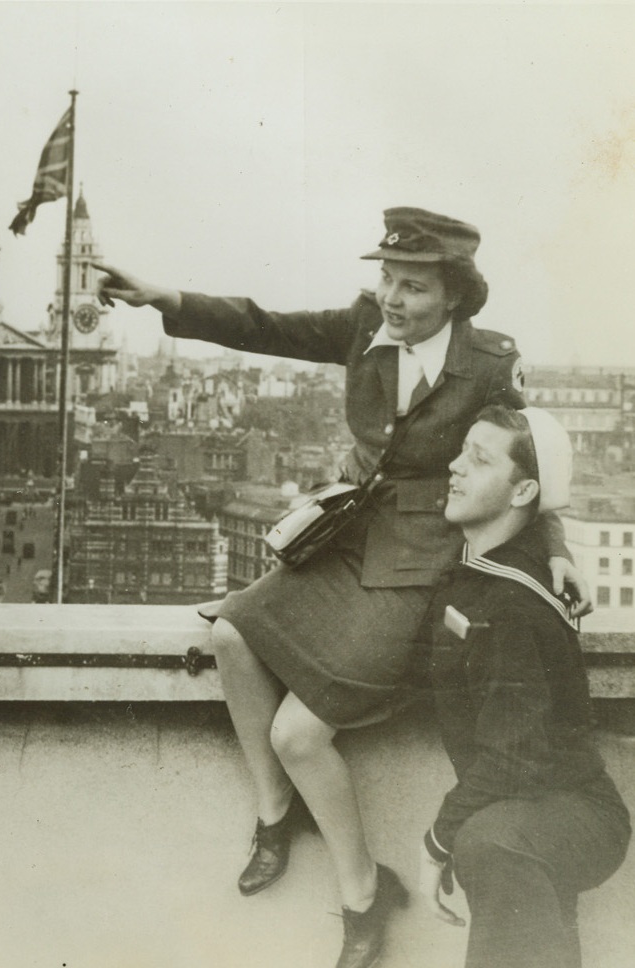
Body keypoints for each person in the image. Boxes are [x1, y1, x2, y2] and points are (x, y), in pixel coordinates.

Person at [94, 207, 591, 968]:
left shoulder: (490, 360)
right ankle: (274, 813)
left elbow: (527, 466)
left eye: (414, 287)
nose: (392, 297)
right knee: (230, 632)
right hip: (350, 535)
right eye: (386, 278)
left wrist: (552, 548)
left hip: (422, 561)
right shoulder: (363, 324)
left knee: (300, 733)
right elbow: (266, 327)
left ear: (453, 295)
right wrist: (164, 297)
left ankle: (363, 893)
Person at [417, 405, 629, 968]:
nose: (455, 467)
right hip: (525, 807)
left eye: (478, 459)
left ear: (521, 492)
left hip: (573, 810)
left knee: (487, 844)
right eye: (462, 449)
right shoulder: (481, 567)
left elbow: (514, 753)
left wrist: (437, 840)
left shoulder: (508, 600)